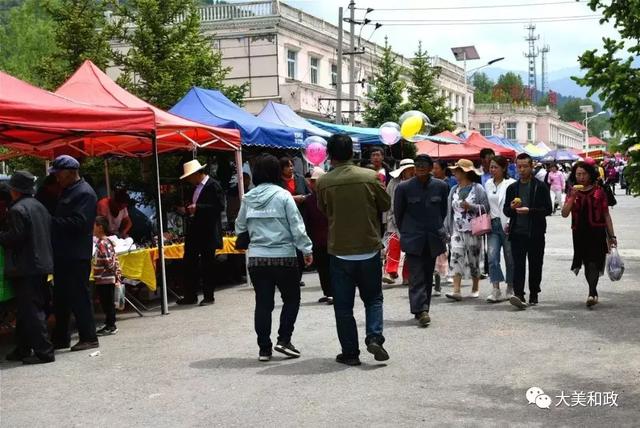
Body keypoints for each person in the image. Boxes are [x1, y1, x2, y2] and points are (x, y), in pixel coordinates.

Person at [316, 134, 391, 366]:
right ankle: (374, 337)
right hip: (368, 247)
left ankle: (350, 352)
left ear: (329, 154)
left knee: (343, 305)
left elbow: (323, 210)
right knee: (373, 299)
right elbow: (386, 204)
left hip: (340, 251)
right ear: (353, 153)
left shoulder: (323, 182)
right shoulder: (371, 177)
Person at [235, 154, 313, 362]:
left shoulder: (248, 198)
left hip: (258, 259)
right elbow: (296, 226)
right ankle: (284, 339)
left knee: (263, 303)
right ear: (276, 173)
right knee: (291, 299)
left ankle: (264, 349)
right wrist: (306, 249)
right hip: (284, 257)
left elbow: (240, 225)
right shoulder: (283, 195)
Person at [0, 171, 55, 364]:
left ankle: (44, 352)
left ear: (14, 190)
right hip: (41, 263)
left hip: (26, 266)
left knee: (31, 311)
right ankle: (22, 349)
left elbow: (14, 238)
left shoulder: (17, 210)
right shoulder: (39, 206)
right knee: (27, 310)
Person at [49, 155, 100, 352]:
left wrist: (51, 222)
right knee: (61, 297)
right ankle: (61, 337)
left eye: (59, 174)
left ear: (70, 173)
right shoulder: (69, 190)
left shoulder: (84, 193)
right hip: (64, 253)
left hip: (76, 254)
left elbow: (80, 223)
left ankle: (89, 336)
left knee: (79, 296)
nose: (57, 178)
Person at [394, 155, 449, 326]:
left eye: (423, 165)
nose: (420, 168)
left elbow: (443, 211)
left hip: (432, 236)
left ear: (431, 167)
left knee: (427, 274)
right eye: (417, 165)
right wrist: (407, 231)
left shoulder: (441, 186)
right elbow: (398, 213)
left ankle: (424, 308)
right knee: (416, 274)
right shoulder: (404, 188)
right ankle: (420, 309)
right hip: (413, 237)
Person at [561, 161, 617, 307]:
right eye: (578, 174)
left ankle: (592, 293)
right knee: (586, 263)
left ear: (590, 174)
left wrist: (612, 236)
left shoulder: (599, 191)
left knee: (594, 262)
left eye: (584, 174)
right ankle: (593, 291)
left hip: (597, 231)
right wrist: (572, 197)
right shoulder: (572, 191)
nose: (581, 177)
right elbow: (564, 214)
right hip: (579, 232)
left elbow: (606, 215)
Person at [503, 153, 553, 309]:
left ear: (532, 167)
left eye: (525, 166)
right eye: (519, 166)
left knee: (535, 264)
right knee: (518, 265)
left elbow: (548, 209)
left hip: (536, 233)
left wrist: (530, 210)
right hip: (517, 232)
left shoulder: (540, 186)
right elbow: (506, 210)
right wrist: (511, 208)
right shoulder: (512, 188)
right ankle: (519, 294)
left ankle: (534, 293)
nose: (522, 169)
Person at [176, 159, 225, 306]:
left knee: (207, 264)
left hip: (208, 231)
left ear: (197, 174)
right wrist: (187, 210)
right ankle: (190, 295)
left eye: (190, 177)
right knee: (189, 262)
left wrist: (198, 207)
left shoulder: (213, 185)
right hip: (195, 229)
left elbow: (219, 206)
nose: (189, 180)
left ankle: (209, 296)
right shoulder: (195, 188)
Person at [444, 159, 490, 301]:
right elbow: (449, 211)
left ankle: (475, 286)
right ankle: (456, 290)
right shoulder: (453, 189)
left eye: (457, 170)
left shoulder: (477, 188)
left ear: (464, 172)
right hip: (457, 229)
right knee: (455, 256)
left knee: (473, 258)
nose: (454, 173)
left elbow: (486, 208)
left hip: (473, 229)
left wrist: (471, 207)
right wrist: (447, 228)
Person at [483, 156, 516, 303]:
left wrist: (510, 221)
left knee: (510, 257)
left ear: (503, 168)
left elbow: (513, 206)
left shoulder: (511, 184)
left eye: (496, 167)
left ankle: (510, 286)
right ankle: (495, 288)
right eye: (491, 167)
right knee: (492, 257)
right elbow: (486, 204)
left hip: (507, 224)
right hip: (493, 225)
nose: (492, 170)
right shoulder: (488, 183)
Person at [383, 159, 415, 286]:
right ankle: (390, 271)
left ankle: (407, 276)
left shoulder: (417, 182)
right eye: (408, 170)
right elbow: (387, 201)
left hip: (411, 220)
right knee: (394, 246)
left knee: (410, 250)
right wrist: (385, 220)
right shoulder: (393, 183)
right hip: (393, 219)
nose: (411, 172)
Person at [303, 167, 333, 304]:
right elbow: (307, 221)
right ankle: (328, 292)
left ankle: (335, 293)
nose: (315, 184)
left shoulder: (333, 196)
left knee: (333, 267)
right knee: (322, 268)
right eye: (313, 181)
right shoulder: (309, 200)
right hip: (317, 239)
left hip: (333, 238)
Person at [279, 156, 310, 287]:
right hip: (284, 219)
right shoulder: (277, 183)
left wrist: (302, 198)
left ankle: (298, 276)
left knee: (300, 247)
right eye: (287, 166)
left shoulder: (300, 179)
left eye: (292, 165)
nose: (291, 168)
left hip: (301, 215)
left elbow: (310, 194)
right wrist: (291, 198)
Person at [93, 216, 122, 336]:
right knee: (107, 302)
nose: (92, 229)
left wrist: (112, 271)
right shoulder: (106, 241)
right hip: (106, 278)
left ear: (100, 227)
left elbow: (108, 260)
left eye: (94, 226)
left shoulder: (102, 243)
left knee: (107, 303)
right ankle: (109, 323)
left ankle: (111, 325)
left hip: (105, 278)